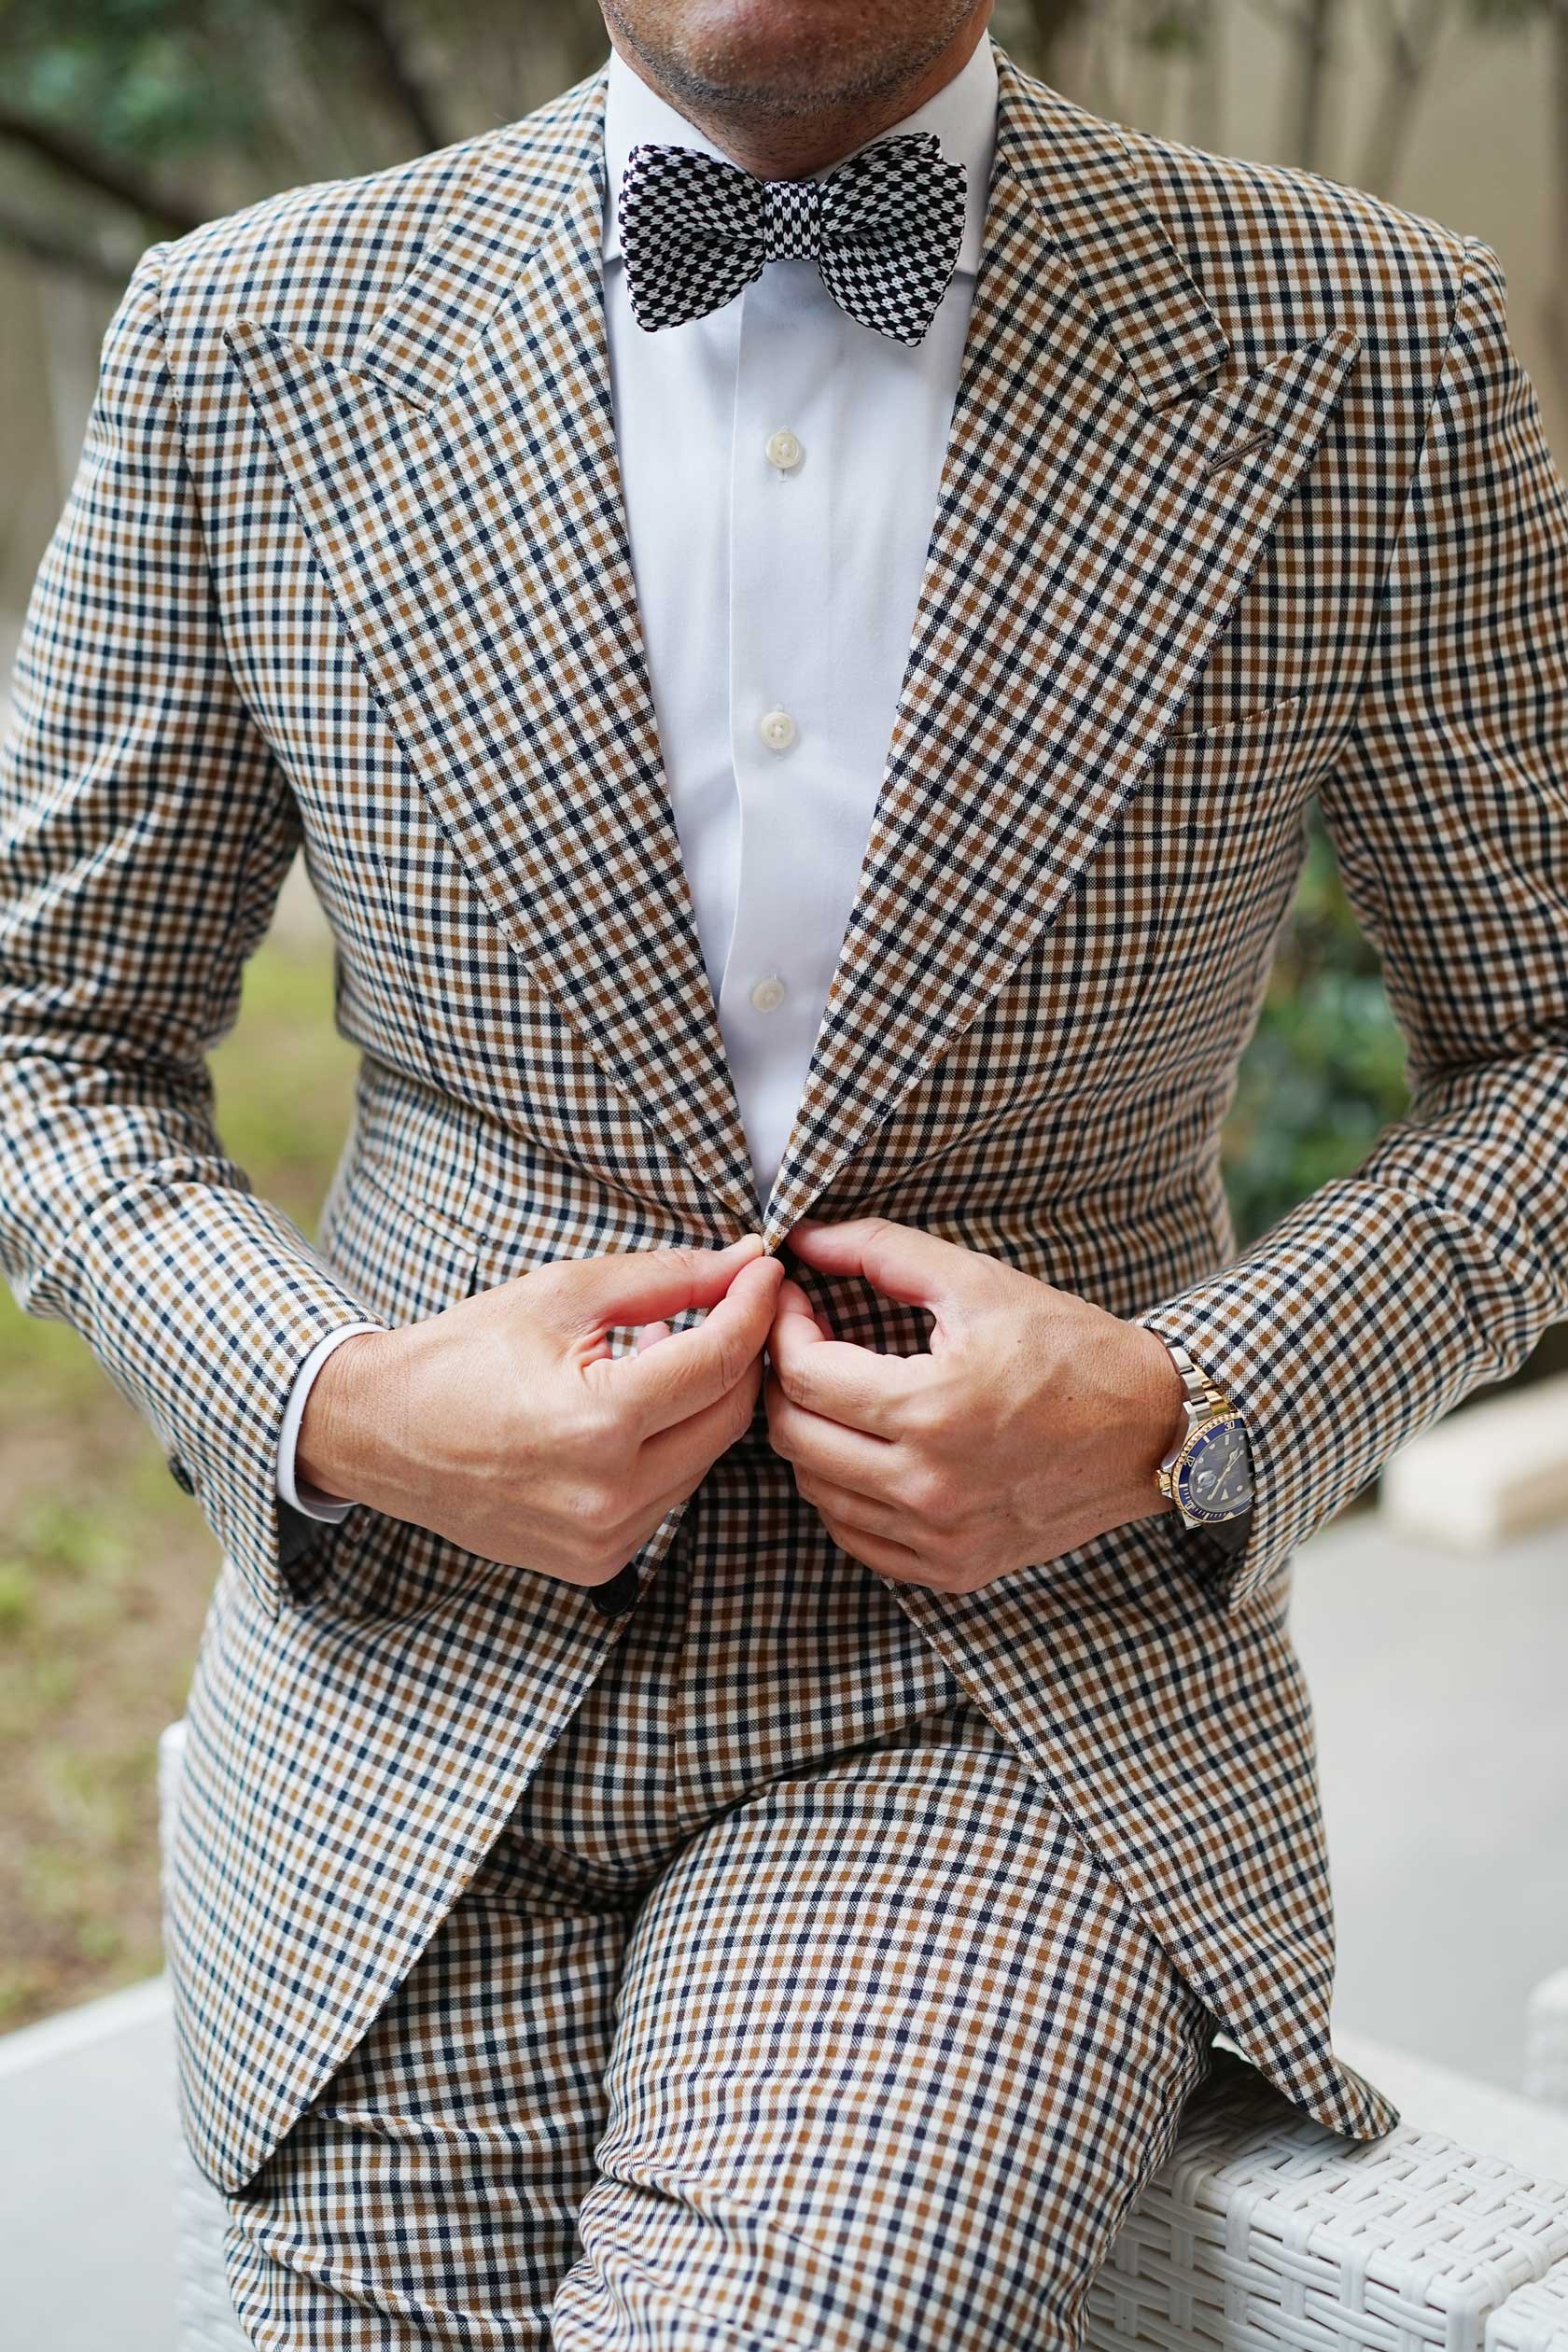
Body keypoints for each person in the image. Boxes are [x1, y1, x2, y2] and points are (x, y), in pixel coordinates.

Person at [3, 0, 1565, 2341]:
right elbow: (47, 1028)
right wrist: (333, 1403)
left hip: (1004, 1713)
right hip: (402, 1735)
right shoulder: (249, 336)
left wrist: (1187, 1404)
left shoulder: (1367, 339)